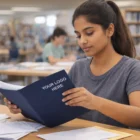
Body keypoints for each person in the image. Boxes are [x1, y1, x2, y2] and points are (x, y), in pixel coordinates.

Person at [4, 0, 140, 128]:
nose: (82, 41)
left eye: (89, 33)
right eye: (78, 35)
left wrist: (95, 102)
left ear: (110, 30)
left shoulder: (132, 68)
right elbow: (58, 110)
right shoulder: (78, 67)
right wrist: (25, 108)